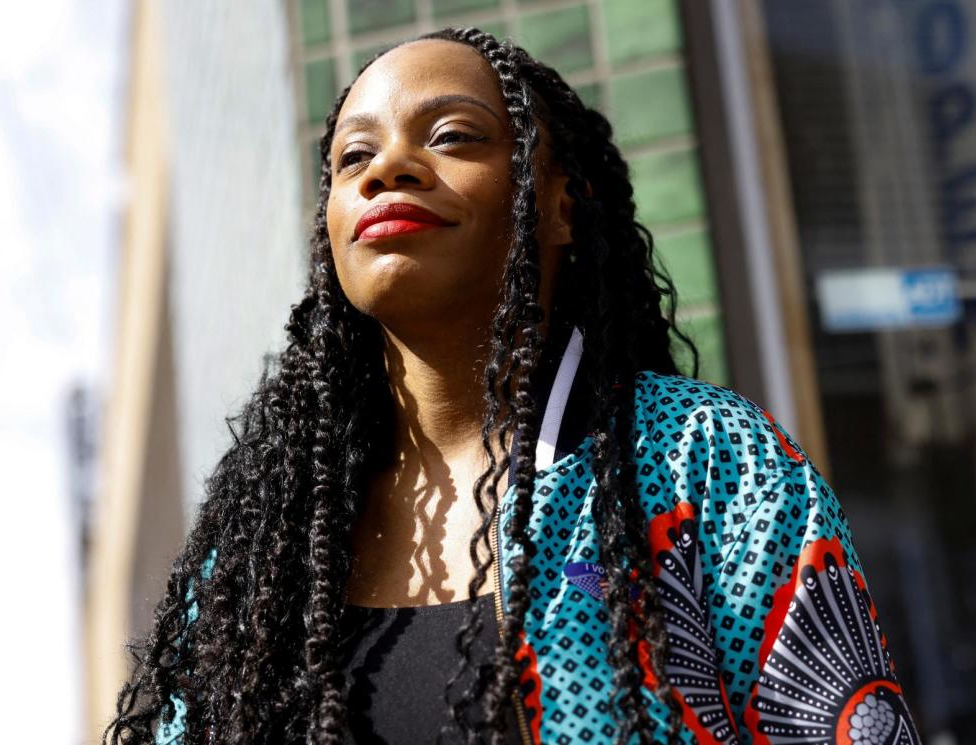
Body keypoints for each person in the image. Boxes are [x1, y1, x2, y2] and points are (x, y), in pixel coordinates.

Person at [104, 26, 921, 745]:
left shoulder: (698, 457)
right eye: (354, 156)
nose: (389, 166)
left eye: (454, 135)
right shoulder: (265, 538)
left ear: (562, 204)